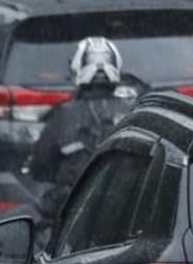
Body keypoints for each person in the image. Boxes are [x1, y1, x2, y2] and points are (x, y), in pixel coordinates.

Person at [28, 36, 143, 222]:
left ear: (77, 69)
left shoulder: (63, 116)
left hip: (74, 212)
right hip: (127, 212)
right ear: (117, 67)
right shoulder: (134, 112)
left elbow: (40, 167)